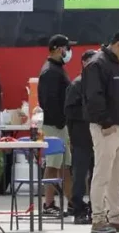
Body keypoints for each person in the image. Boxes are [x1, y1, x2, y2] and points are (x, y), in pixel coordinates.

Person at [83, 29, 119, 233]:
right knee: (102, 174)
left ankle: (116, 216)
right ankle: (98, 218)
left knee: (118, 175)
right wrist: (105, 123)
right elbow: (94, 97)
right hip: (106, 128)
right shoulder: (97, 65)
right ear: (118, 45)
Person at [39, 34, 74, 215]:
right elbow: (48, 102)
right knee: (53, 166)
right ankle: (49, 204)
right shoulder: (50, 72)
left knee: (65, 166)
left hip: (61, 125)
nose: (69, 52)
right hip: (55, 126)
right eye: (67, 48)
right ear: (59, 49)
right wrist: (61, 122)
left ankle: (73, 203)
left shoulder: (57, 69)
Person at [65, 49, 98, 225]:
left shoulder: (97, 83)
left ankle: (95, 207)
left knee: (97, 175)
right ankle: (78, 209)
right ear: (84, 63)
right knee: (79, 176)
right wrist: (90, 113)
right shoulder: (77, 84)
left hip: (97, 137)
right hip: (81, 138)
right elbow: (69, 112)